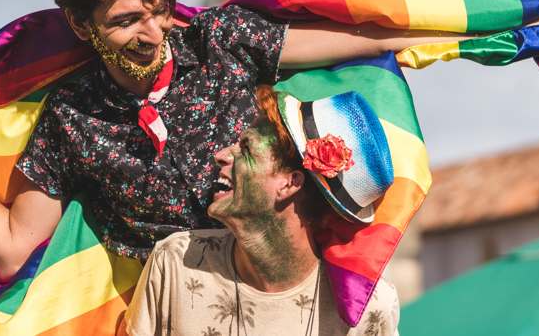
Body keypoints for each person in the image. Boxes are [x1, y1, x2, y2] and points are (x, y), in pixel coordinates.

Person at [0, 0, 539, 281]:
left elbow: (360, 34)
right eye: (126, 20)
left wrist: (496, 32)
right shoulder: (71, 121)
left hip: (283, 294)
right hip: (168, 311)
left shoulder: (219, 41)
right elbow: (11, 248)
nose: (153, 31)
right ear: (82, 26)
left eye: (158, 9)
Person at [120, 85, 400, 335]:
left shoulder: (368, 311)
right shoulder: (177, 262)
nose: (220, 156)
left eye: (246, 148)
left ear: (290, 183)